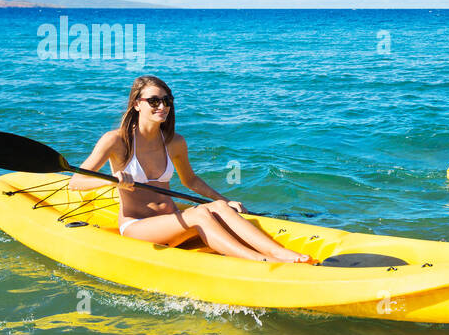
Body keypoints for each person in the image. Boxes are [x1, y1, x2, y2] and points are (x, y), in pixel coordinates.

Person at [68, 76, 312, 262]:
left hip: (171, 220)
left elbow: (191, 181)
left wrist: (226, 201)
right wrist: (111, 180)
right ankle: (261, 261)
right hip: (137, 226)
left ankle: (279, 252)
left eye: (166, 100)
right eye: (154, 101)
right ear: (136, 104)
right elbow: (76, 182)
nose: (162, 106)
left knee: (216, 208)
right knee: (199, 214)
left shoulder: (175, 142)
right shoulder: (116, 140)